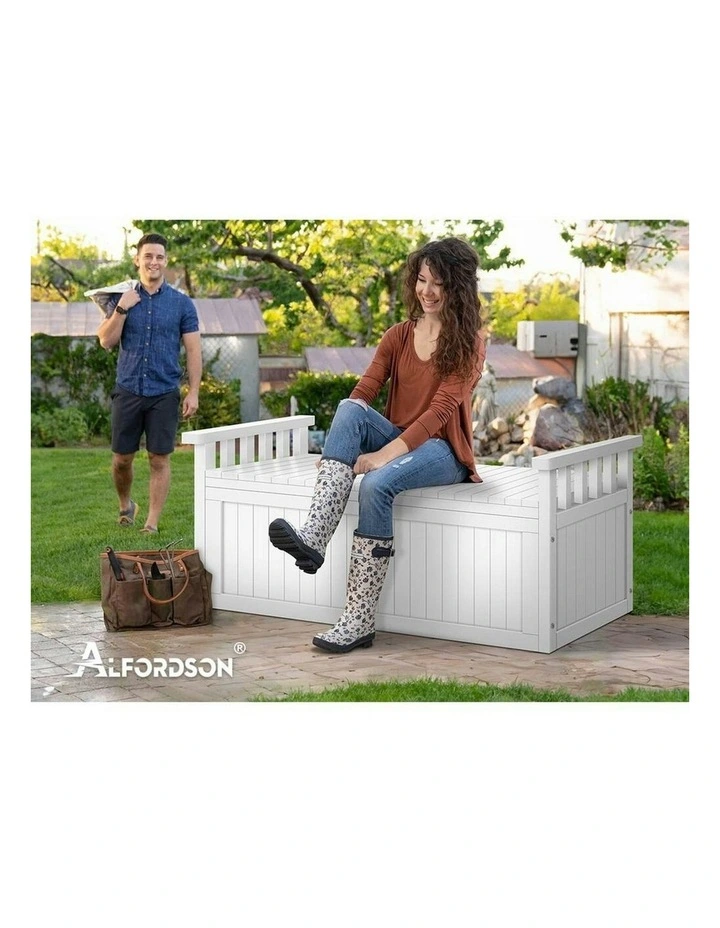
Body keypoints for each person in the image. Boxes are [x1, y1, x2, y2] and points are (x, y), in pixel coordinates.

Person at [269, 236, 486, 653]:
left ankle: (357, 620)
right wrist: (340, 447)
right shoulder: (399, 335)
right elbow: (365, 389)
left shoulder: (469, 344)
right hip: (401, 440)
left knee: (376, 484)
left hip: (443, 451)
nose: (426, 291)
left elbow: (438, 414)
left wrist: (380, 458)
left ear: (457, 287)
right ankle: (313, 538)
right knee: (349, 407)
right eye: (421, 280)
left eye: (437, 282)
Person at [97, 232, 202, 534]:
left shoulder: (182, 305)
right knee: (121, 460)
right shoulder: (122, 298)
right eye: (148, 256)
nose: (154, 262)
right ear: (138, 261)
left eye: (159, 257)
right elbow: (105, 341)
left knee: (159, 459)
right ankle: (126, 504)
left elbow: (194, 350)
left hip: (164, 393)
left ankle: (151, 523)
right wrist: (122, 307)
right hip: (128, 389)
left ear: (165, 262)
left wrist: (193, 392)